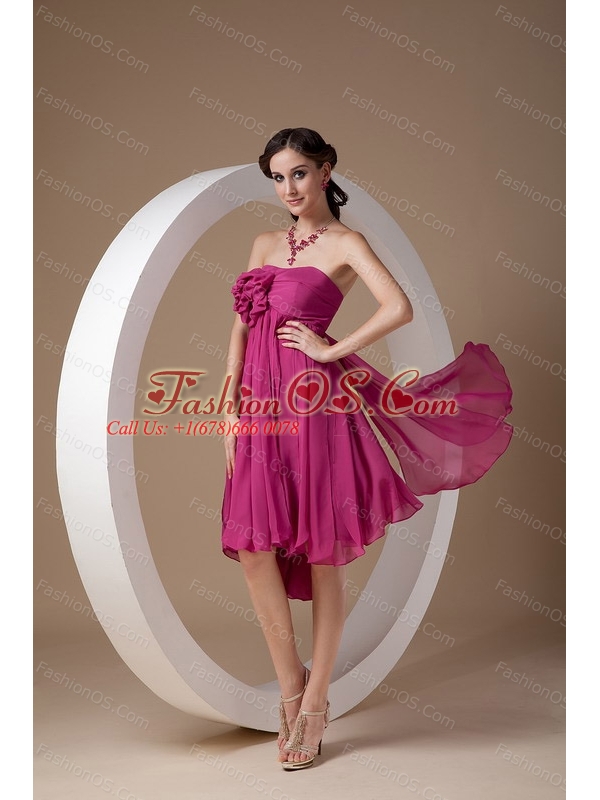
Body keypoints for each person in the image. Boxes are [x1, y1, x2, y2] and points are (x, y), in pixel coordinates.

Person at [220, 128, 513, 770]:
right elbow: (241, 328)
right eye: (277, 177)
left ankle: (315, 701)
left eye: (299, 173)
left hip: (315, 405)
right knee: (254, 547)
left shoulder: (347, 243)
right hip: (262, 406)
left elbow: (397, 307)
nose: (288, 188)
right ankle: (291, 683)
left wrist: (329, 351)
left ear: (326, 170)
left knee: (322, 551)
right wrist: (230, 399)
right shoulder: (264, 243)